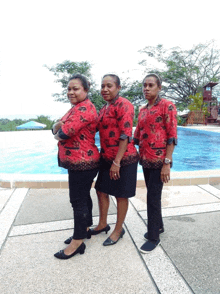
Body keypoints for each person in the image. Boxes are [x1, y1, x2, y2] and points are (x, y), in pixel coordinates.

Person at [52, 74, 100, 259]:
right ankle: (86, 228)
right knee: (83, 197)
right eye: (69, 89)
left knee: (77, 200)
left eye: (76, 89)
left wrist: (58, 129)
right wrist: (57, 126)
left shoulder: (84, 109)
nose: (71, 92)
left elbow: (63, 132)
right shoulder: (75, 108)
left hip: (83, 162)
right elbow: (56, 127)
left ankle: (77, 242)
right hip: (79, 161)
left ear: (86, 90)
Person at [93, 74, 139, 246]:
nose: (105, 89)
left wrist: (117, 162)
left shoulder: (124, 105)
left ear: (118, 88)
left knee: (120, 195)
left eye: (109, 86)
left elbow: (125, 134)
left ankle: (118, 230)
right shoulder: (104, 108)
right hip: (106, 157)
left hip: (124, 159)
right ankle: (103, 223)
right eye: (102, 86)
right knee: (101, 190)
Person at [133, 73, 177, 253]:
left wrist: (167, 162)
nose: (146, 88)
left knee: (152, 197)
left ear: (159, 87)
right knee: (152, 194)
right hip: (145, 160)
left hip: (159, 161)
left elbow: (172, 135)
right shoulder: (143, 109)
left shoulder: (167, 106)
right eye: (144, 85)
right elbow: (137, 135)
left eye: (151, 85)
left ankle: (153, 237)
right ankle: (158, 226)